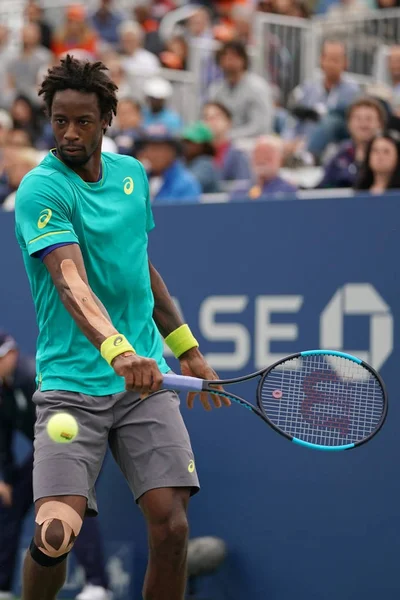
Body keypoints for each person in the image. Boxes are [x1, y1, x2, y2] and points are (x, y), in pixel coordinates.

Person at [14, 54, 228, 600]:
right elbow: (70, 281)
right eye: (60, 120)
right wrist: (116, 350)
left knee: (172, 525)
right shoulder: (43, 188)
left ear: (107, 119)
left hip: (143, 384)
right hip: (72, 386)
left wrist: (188, 350)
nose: (69, 133)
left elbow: (140, 271)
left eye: (83, 121)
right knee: (55, 534)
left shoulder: (132, 176)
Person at [0, 332, 112, 600]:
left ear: (12, 355)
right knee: (9, 501)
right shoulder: (1, 393)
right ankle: (3, 587)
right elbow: (3, 442)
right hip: (45, 453)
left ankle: (98, 585)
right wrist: (4, 479)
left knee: (75, 506)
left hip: (82, 444)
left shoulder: (33, 377)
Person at [284, 39, 360, 159]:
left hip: (332, 144)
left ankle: (305, 156)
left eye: (336, 60)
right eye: (328, 58)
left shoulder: (352, 91)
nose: (331, 64)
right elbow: (295, 116)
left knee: (330, 121)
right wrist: (289, 140)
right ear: (321, 60)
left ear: (345, 63)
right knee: (282, 116)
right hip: (301, 139)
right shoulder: (309, 87)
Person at [207, 40, 274, 139]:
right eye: (224, 56)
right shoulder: (216, 89)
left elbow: (260, 127)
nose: (228, 60)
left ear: (243, 60)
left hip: (251, 143)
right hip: (221, 143)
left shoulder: (257, 88)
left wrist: (228, 136)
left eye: (234, 56)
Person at [318, 97, 386, 189]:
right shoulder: (339, 154)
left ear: (380, 124)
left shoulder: (391, 153)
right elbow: (323, 187)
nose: (363, 123)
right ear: (348, 124)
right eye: (358, 118)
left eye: (369, 119)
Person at [138, 129, 202, 203]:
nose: (154, 155)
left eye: (159, 150)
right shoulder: (140, 180)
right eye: (150, 149)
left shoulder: (186, 183)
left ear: (173, 153)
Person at [230, 135, 297, 200]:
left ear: (280, 160)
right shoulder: (239, 192)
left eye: (267, 155)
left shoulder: (288, 191)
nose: (262, 159)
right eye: (258, 154)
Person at [202, 101, 251, 182]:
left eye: (217, 116)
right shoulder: (198, 154)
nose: (212, 122)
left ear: (229, 122)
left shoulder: (238, 155)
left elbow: (243, 187)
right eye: (207, 118)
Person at [181, 122, 221, 193]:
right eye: (185, 142)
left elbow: (188, 186)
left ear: (204, 146)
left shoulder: (206, 164)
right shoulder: (185, 163)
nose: (186, 145)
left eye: (191, 142)